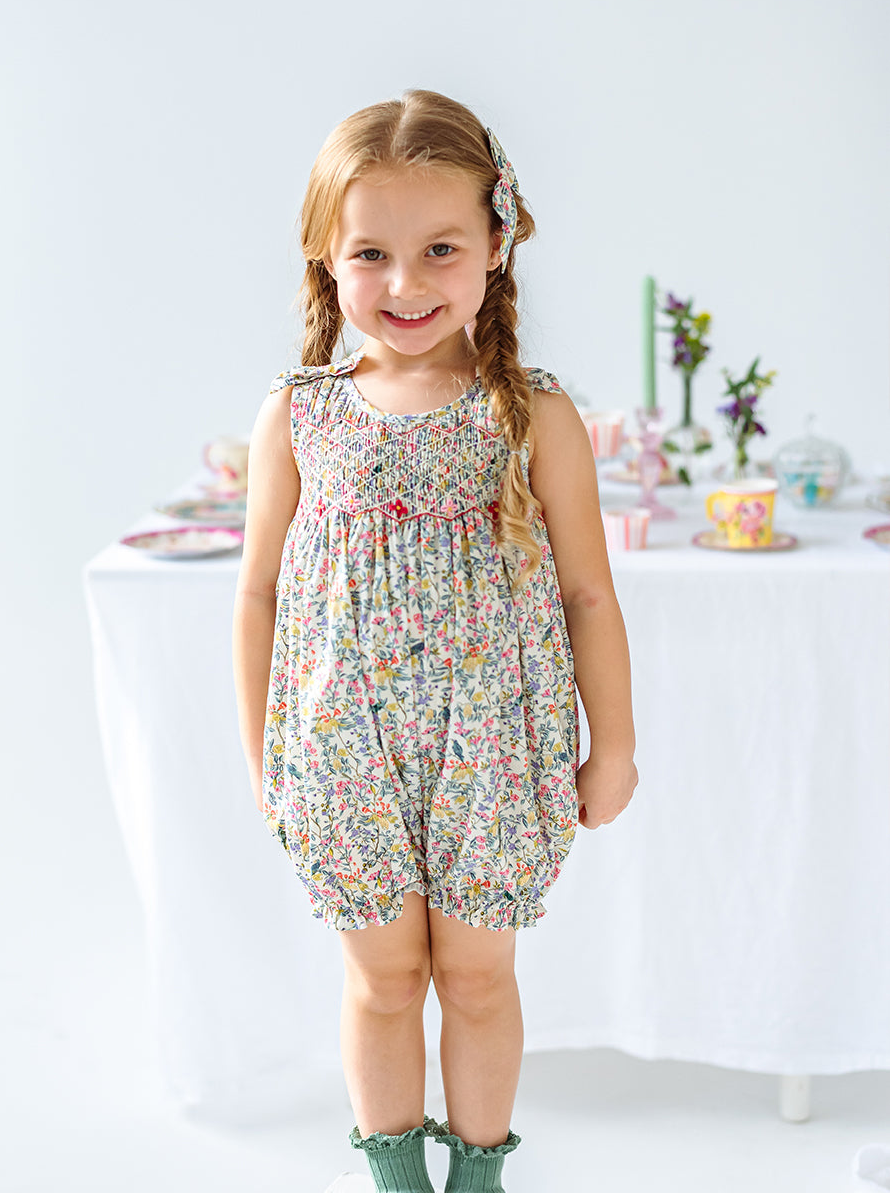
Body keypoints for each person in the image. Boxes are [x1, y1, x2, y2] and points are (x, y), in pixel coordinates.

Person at [232, 88, 637, 1193]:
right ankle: (398, 1181)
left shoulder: (534, 415)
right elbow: (258, 593)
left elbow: (589, 596)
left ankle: (479, 1179)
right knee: (383, 981)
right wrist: (265, 755)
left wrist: (614, 745)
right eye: (371, 252)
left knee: (476, 978)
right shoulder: (298, 414)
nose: (405, 283)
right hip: (342, 751)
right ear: (325, 258)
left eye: (440, 249)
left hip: (492, 748)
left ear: (497, 246)